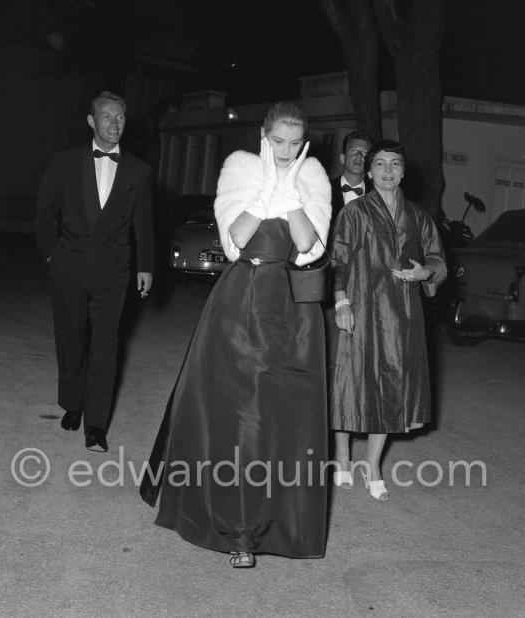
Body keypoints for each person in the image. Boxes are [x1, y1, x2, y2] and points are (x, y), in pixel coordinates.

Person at [140, 102, 331, 568]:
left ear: (303, 140)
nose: (286, 151)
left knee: (282, 417)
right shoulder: (239, 169)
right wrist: (265, 190)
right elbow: (234, 241)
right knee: (237, 414)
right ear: (265, 136)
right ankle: (237, 532)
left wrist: (291, 194)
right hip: (239, 300)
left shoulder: (315, 178)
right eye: (278, 141)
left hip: (292, 309)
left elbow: (307, 248)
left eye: (294, 142)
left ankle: (278, 523)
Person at [35, 90, 154, 453]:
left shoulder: (139, 169)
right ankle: (73, 403)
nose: (115, 124)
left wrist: (145, 267)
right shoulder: (64, 161)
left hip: (114, 272)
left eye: (120, 117)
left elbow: (144, 226)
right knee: (72, 340)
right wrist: (51, 257)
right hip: (69, 266)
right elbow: (44, 214)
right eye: (107, 117)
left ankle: (96, 425)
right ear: (92, 120)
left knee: (106, 344)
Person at [330, 139, 446, 500]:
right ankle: (343, 457)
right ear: (369, 170)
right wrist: (342, 303)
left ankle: (373, 465)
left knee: (392, 387)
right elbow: (339, 260)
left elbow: (437, 257)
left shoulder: (417, 215)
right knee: (352, 381)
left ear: (403, 171)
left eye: (395, 164)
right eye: (380, 164)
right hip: (362, 307)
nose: (387, 171)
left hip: (403, 315)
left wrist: (425, 272)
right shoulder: (354, 212)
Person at [330, 129, 373, 227]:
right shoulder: (322, 190)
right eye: (353, 151)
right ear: (342, 158)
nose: (359, 155)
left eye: (364, 152)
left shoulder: (378, 196)